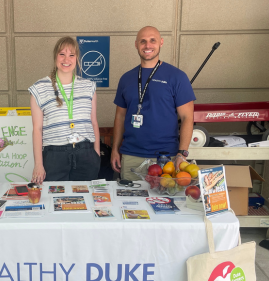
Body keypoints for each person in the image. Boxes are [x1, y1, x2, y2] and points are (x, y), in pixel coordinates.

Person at [111, 26, 195, 181]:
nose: (147, 45)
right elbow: (120, 117)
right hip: (131, 156)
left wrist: (182, 154)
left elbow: (187, 118)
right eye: (143, 41)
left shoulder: (177, 77)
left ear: (161, 43)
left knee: (164, 202)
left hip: (166, 159)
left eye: (152, 40)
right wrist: (115, 150)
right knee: (130, 203)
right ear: (136, 44)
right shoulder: (126, 78)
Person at [28, 37, 101, 183]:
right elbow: (37, 129)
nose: (66, 59)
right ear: (55, 56)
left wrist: (96, 154)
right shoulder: (39, 88)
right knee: (55, 201)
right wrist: (38, 164)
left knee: (85, 200)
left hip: (86, 154)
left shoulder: (88, 87)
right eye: (62, 54)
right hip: (55, 156)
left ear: (77, 58)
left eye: (71, 55)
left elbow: (93, 123)